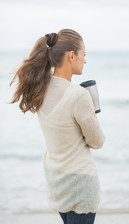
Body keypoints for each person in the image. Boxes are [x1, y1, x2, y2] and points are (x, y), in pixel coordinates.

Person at [10, 29, 105, 224]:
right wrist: (92, 116)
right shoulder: (78, 95)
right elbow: (97, 141)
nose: (85, 60)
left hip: (57, 182)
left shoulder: (39, 90)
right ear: (71, 56)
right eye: (83, 55)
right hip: (81, 184)